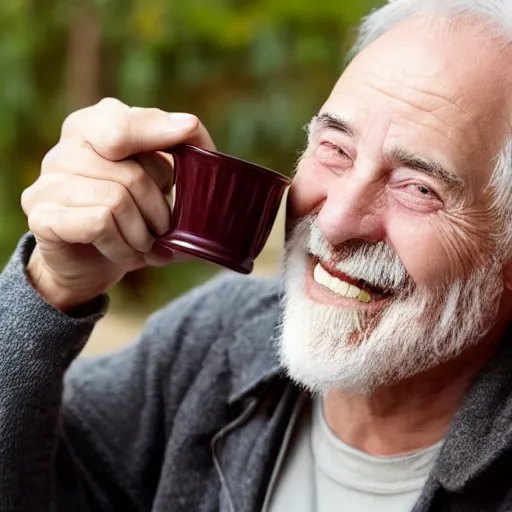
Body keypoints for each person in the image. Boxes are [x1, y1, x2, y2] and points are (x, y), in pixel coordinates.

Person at [3, 0, 512, 510]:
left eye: (419, 188)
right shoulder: (214, 344)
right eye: (336, 148)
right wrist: (52, 285)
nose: (334, 222)